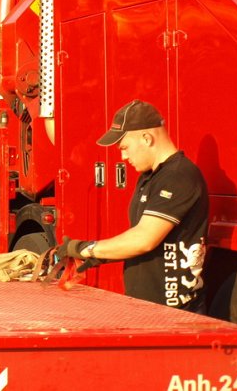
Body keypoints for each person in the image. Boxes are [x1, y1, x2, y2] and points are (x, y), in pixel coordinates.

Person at [56, 99, 208, 313]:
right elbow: (137, 236)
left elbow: (144, 239)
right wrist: (99, 256)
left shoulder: (178, 176)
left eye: (125, 147)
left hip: (175, 311)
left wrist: (86, 249)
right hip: (147, 307)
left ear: (147, 138)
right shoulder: (150, 177)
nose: (123, 156)